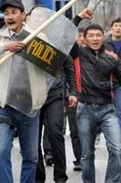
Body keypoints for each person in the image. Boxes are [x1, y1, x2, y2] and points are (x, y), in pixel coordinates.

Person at [0, 0, 50, 182]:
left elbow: (51, 62)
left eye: (14, 12)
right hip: (3, 103)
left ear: (23, 16)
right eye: (6, 13)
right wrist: (5, 47)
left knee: (31, 155)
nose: (10, 17)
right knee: (2, 151)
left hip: (30, 105)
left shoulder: (37, 36)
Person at [69, 10, 121, 183]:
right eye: (91, 36)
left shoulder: (112, 58)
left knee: (116, 149)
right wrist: (79, 17)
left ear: (104, 37)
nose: (95, 39)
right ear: (84, 39)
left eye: (98, 35)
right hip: (85, 109)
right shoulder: (78, 54)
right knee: (86, 155)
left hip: (107, 110)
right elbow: (66, 32)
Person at [35, 52, 78, 183]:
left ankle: (60, 177)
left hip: (55, 94)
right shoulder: (28, 40)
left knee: (55, 133)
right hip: (33, 95)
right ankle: (38, 177)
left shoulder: (58, 43)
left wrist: (72, 92)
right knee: (33, 138)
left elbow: (69, 67)